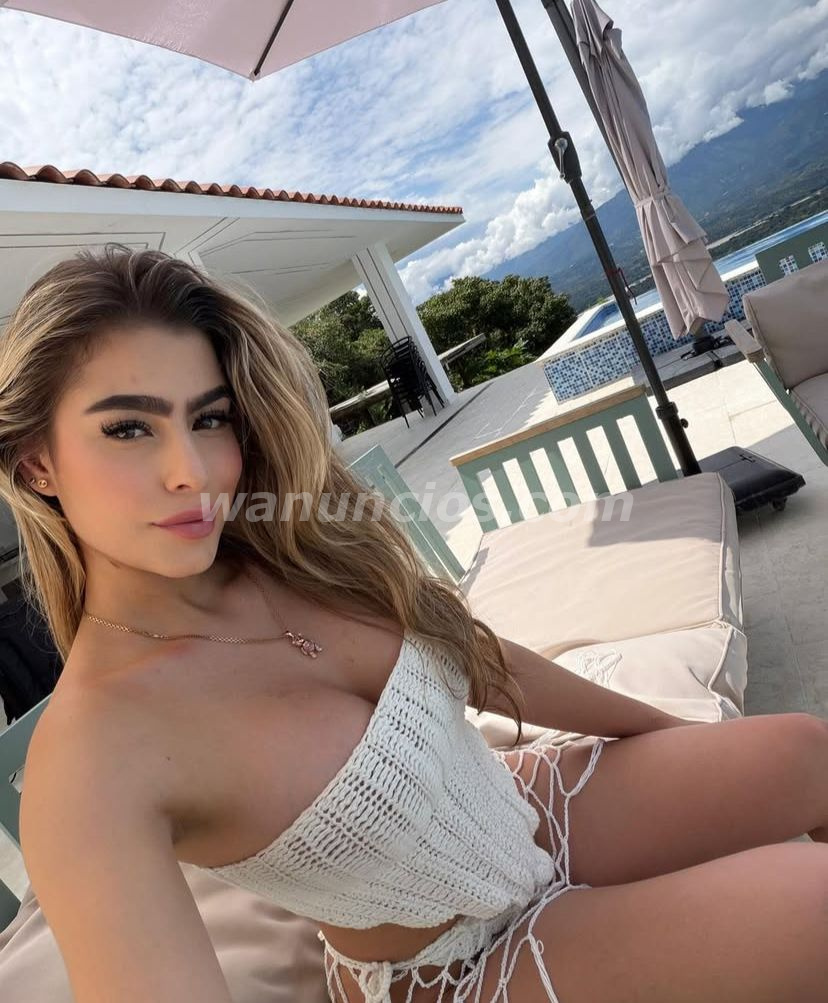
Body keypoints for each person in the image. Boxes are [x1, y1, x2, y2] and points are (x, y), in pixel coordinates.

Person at [0, 244, 825, 1003]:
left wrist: (668, 735)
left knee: (806, 752)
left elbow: (476, 658)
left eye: (209, 418)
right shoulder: (91, 763)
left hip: (522, 808)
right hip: (460, 963)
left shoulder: (285, 553)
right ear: (37, 460)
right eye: (128, 427)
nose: (193, 471)